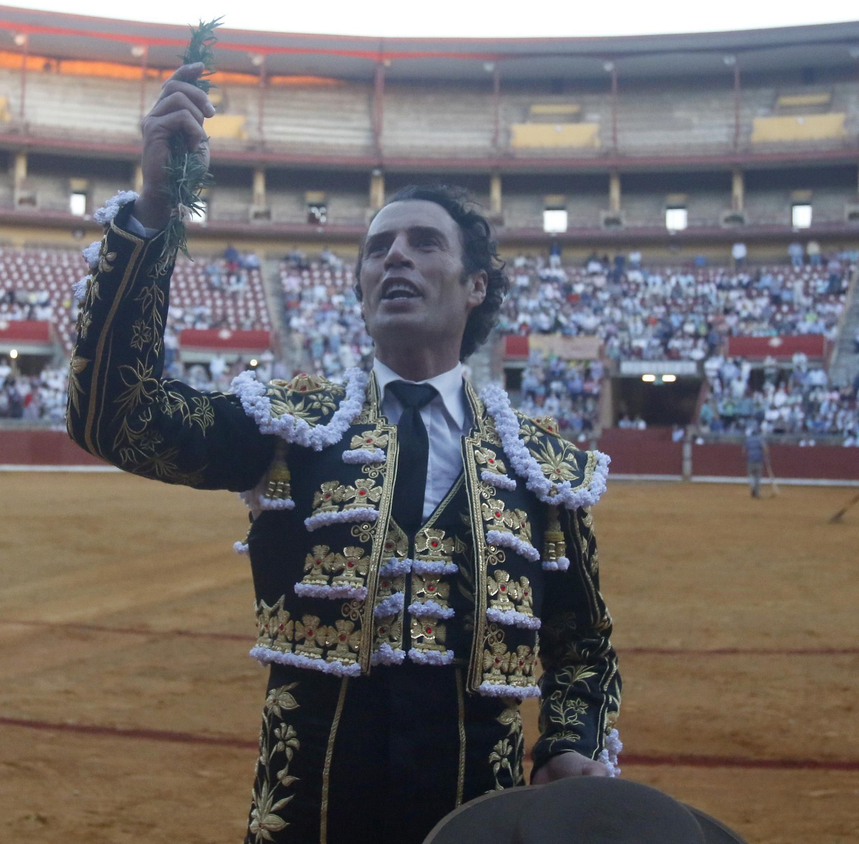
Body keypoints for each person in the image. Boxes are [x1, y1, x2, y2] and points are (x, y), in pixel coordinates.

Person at [65, 63, 620, 844]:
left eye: (423, 243)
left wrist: (568, 739)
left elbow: (580, 642)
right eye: (377, 248)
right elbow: (117, 419)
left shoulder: (540, 466)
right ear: (360, 289)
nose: (395, 257)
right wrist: (153, 214)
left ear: (476, 286)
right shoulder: (289, 426)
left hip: (476, 825)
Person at [743, 427, 765, 499]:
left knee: (751, 475)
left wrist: (746, 458)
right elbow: (765, 448)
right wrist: (765, 457)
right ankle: (757, 492)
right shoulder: (760, 439)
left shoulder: (748, 440)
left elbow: (744, 451)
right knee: (757, 476)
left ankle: (752, 486)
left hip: (750, 460)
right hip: (758, 459)